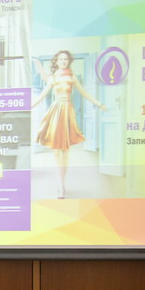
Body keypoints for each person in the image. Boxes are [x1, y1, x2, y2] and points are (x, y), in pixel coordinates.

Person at [31, 50, 106, 198]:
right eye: (61, 59)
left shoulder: (72, 77)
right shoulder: (53, 78)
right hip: (56, 111)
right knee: (56, 151)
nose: (63, 61)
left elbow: (84, 93)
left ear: (69, 61)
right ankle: (60, 184)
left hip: (67, 112)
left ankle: (62, 184)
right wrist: (29, 106)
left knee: (65, 150)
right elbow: (43, 94)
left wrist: (98, 103)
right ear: (56, 61)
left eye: (65, 59)